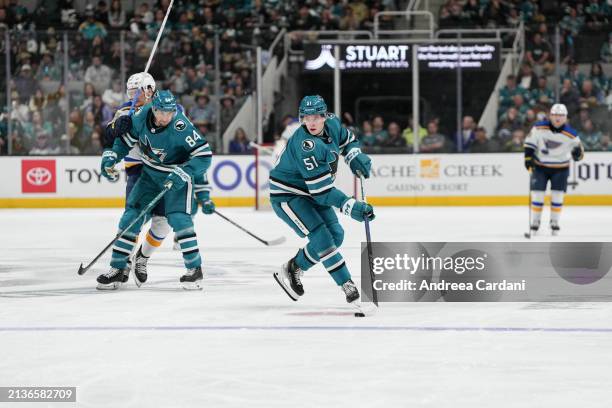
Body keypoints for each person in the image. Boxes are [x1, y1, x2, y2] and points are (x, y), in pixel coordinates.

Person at [99, 90, 213, 290]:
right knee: (130, 218)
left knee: (179, 219)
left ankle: (194, 270)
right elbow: (125, 141)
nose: (165, 117)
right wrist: (111, 156)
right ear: (154, 108)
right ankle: (118, 268)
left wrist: (184, 173)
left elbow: (204, 156)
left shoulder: (181, 126)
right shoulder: (142, 116)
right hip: (149, 175)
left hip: (176, 177)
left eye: (169, 112)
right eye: (161, 112)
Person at [269, 95, 374, 307]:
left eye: (316, 116)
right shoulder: (305, 145)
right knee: (322, 237)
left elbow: (348, 141)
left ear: (325, 116)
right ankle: (347, 285)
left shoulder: (333, 124)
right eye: (307, 118)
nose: (312, 122)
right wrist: (351, 206)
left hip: (310, 191)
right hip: (288, 195)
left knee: (336, 234)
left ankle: (294, 267)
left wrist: (355, 156)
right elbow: (322, 192)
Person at [524, 103, 584, 235]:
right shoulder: (538, 128)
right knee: (538, 195)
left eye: (561, 115)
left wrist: (577, 154)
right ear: (550, 116)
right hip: (540, 167)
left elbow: (579, 153)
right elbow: (529, 144)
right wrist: (528, 158)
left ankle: (554, 222)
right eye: (555, 115)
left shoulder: (572, 134)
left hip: (561, 168)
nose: (558, 118)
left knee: (557, 195)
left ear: (566, 117)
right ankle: (535, 221)